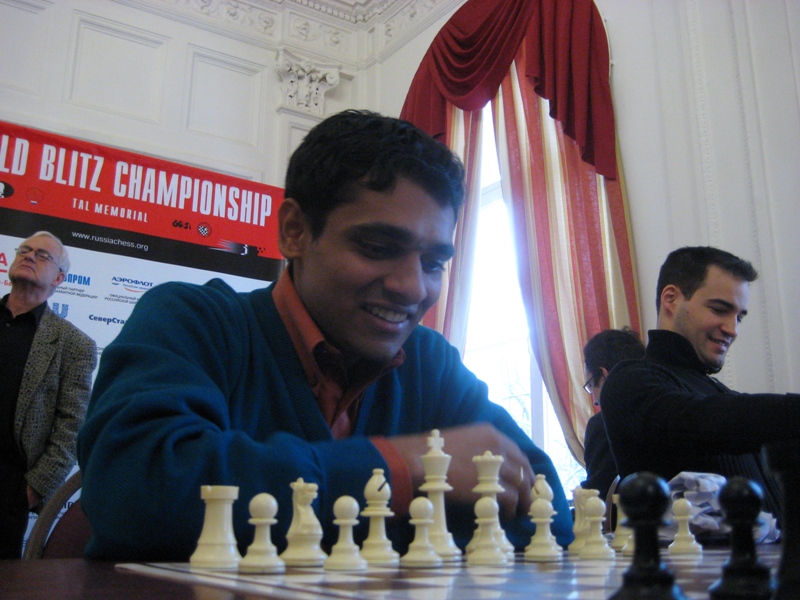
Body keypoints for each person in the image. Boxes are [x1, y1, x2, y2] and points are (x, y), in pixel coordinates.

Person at [77, 110, 574, 561]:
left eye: (433, 262)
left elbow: (546, 513)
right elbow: (135, 488)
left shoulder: (431, 364)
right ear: (294, 231)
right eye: (377, 247)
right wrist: (404, 469)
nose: (413, 287)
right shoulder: (193, 321)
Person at [600, 246, 800, 518]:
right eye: (719, 309)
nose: (733, 329)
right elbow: (700, 421)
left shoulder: (721, 393)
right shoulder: (629, 381)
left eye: (739, 317)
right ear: (671, 299)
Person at [1, 231, 97, 559]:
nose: (29, 256)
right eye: (25, 250)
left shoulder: (74, 345)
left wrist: (31, 491)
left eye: (42, 255)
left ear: (58, 278)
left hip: (7, 491)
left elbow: (72, 427)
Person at [579, 327, 645, 500]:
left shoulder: (603, 423)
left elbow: (597, 496)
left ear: (603, 375)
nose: (595, 401)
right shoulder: (669, 409)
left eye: (590, 385)